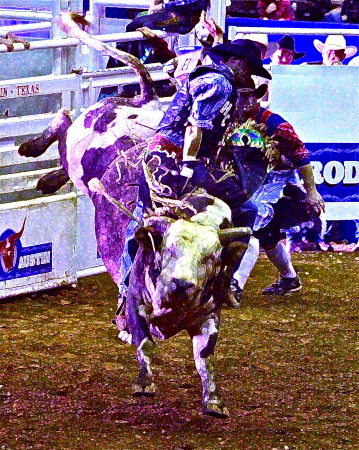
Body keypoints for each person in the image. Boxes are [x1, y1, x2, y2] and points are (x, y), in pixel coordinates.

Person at [114, 39, 272, 331]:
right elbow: (194, 128)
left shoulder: (209, 77)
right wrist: (188, 166)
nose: (248, 77)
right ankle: (222, 283)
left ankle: (127, 294)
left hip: (168, 157)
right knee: (246, 211)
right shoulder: (219, 84)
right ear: (238, 63)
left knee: (147, 216)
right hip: (178, 161)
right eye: (249, 69)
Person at [226, 85, 325, 299]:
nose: (244, 102)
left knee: (250, 227)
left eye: (248, 97)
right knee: (267, 235)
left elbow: (301, 154)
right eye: (240, 97)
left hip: (276, 178)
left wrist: (311, 191)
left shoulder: (276, 124)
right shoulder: (229, 118)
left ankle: (235, 285)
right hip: (246, 177)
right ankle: (289, 279)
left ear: (258, 98)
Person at [126, 0, 211, 35]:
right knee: (137, 21)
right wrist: (154, 5)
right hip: (172, 13)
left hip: (187, 18)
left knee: (145, 23)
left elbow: (194, 2)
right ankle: (124, 52)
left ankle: (148, 58)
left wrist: (164, 6)